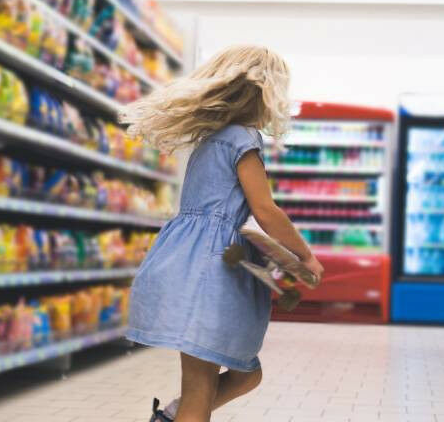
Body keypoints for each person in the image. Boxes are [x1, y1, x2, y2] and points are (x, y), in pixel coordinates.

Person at [120, 45, 325, 422]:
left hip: (185, 261)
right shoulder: (243, 140)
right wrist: (304, 255)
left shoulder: (211, 139)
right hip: (207, 275)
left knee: (246, 373)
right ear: (265, 93)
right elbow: (265, 210)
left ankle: (171, 417)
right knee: (201, 387)